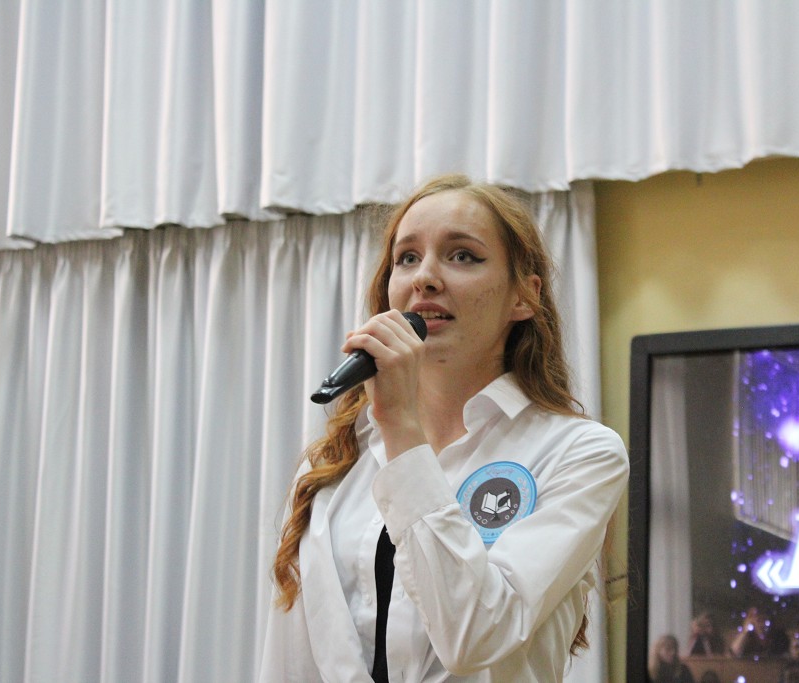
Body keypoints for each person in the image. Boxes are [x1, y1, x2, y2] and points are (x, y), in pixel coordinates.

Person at [260, 174, 630, 681]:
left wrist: (400, 426)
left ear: (524, 297)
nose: (425, 278)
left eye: (463, 256)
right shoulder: (334, 462)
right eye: (407, 258)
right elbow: (291, 657)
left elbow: (475, 635)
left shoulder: (579, 452)